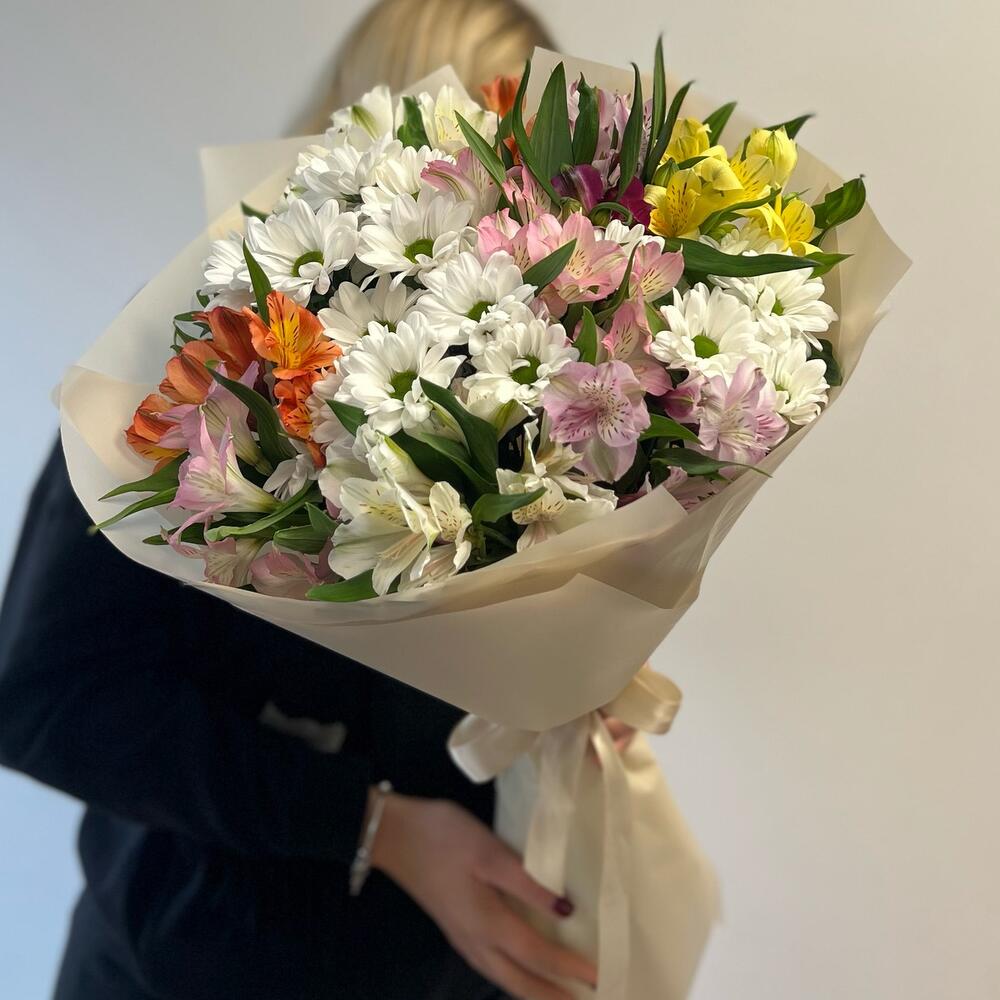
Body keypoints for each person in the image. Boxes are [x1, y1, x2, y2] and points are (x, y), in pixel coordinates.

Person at [0, 3, 631, 998]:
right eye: (465, 150)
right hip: (196, 954)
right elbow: (48, 697)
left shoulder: (547, 367)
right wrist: (374, 826)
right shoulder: (193, 352)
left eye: (521, 167)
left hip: (446, 957)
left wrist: (562, 701)